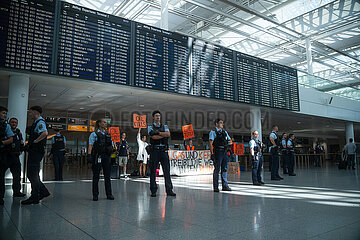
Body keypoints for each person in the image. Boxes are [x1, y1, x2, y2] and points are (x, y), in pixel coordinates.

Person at [22, 106, 51, 205]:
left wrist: (34, 142)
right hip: (35, 151)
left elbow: (44, 133)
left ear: (35, 112)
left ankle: (35, 196)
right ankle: (43, 191)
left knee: (32, 174)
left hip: (36, 151)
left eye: (31, 112)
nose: (30, 114)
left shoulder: (40, 122)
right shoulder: (36, 123)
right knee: (32, 174)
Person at [148, 110, 176, 197]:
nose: (158, 117)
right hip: (154, 151)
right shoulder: (150, 127)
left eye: (159, 116)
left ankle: (169, 189)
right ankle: (153, 190)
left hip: (163, 151)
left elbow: (168, 134)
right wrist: (161, 135)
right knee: (153, 171)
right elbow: (153, 137)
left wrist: (158, 133)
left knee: (166, 171)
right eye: (156, 116)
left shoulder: (165, 126)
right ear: (153, 117)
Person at [87, 119, 114, 201]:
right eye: (104, 122)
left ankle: (109, 194)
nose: (106, 124)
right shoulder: (94, 134)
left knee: (107, 176)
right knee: (96, 176)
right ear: (99, 123)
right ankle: (95, 195)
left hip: (106, 156)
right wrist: (89, 155)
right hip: (97, 156)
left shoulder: (108, 134)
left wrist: (113, 156)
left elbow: (111, 145)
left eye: (106, 122)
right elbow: (90, 145)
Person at [209, 118, 232, 192]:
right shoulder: (213, 132)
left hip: (224, 151)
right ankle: (216, 187)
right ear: (217, 124)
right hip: (218, 151)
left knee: (224, 168)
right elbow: (210, 143)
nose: (222, 124)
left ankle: (225, 186)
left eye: (222, 123)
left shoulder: (224, 132)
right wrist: (212, 153)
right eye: (221, 123)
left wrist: (229, 143)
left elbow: (230, 140)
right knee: (217, 169)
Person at [8, 118, 26, 198]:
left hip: (15, 157)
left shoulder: (18, 132)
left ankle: (17, 192)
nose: (14, 124)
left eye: (15, 122)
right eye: (12, 122)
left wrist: (20, 151)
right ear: (9, 123)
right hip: (6, 155)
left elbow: (21, 143)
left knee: (17, 175)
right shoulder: (5, 131)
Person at [0, 106, 14, 205]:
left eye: (5, 113)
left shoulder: (6, 126)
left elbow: (11, 139)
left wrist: (2, 143)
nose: (5, 115)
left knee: (0, 176)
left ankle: (0, 197)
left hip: (1, 154)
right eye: (3, 113)